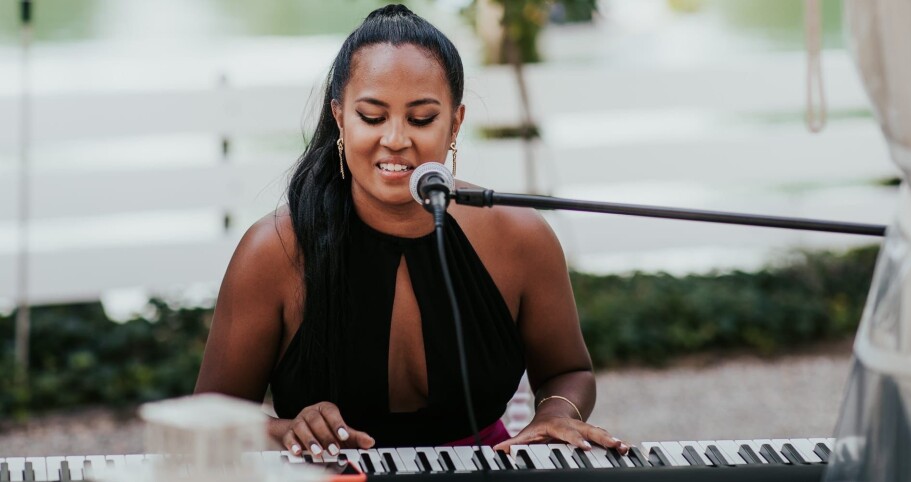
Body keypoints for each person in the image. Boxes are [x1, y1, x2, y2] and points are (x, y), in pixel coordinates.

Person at [195, 4, 628, 458]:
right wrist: (285, 431)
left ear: (455, 124)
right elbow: (207, 417)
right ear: (340, 118)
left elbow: (568, 371)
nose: (396, 139)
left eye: (421, 119)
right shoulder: (274, 250)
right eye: (372, 117)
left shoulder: (521, 237)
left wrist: (555, 414)